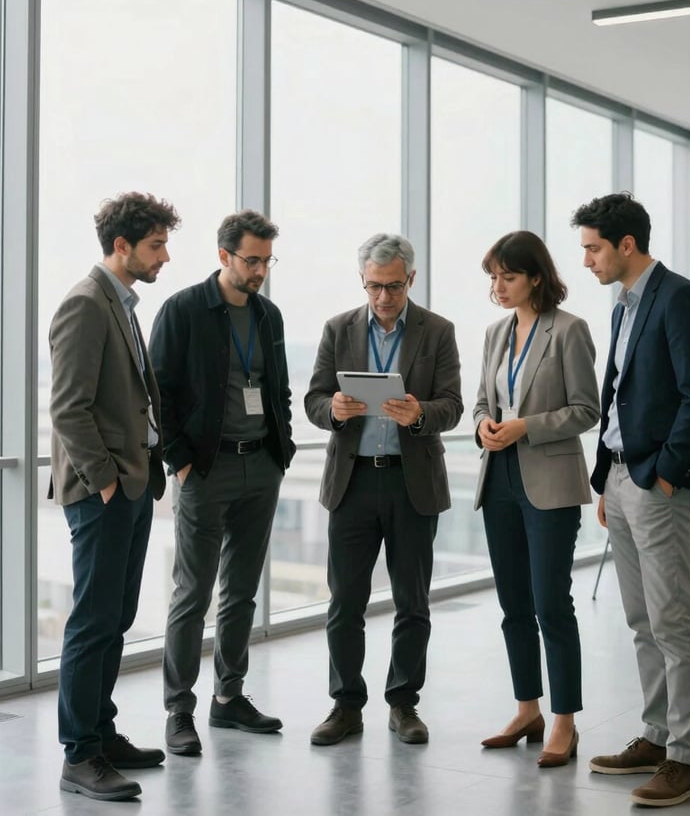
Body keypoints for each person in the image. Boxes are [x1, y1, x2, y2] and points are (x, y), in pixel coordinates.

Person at [572, 192, 690, 808]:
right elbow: (617, 396)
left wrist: (660, 475)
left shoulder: (679, 297)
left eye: (592, 248)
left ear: (626, 244)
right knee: (640, 621)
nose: (586, 261)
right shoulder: (624, 308)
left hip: (661, 484)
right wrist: (609, 475)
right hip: (622, 481)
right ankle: (658, 737)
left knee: (672, 623)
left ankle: (687, 761)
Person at [305, 233, 463, 746]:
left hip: (409, 480)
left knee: (411, 601)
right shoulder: (337, 329)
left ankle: (403, 704)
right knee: (344, 602)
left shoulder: (437, 331)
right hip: (352, 482)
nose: (383, 298)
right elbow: (312, 399)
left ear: (411, 279)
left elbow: (453, 405)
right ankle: (345, 706)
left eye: (393, 286)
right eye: (374, 286)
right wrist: (332, 409)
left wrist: (420, 415)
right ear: (363, 282)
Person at [149, 210, 296, 756]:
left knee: (241, 591)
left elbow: (275, 387)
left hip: (261, 466)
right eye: (251, 260)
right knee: (192, 592)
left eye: (266, 260)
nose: (259, 271)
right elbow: (157, 393)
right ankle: (178, 710)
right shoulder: (184, 310)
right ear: (223, 256)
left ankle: (228, 697)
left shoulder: (268, 315)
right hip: (204, 470)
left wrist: (280, 454)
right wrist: (179, 461)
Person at [50, 192, 180, 801]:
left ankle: (101, 734)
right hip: (105, 490)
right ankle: (79, 754)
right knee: (93, 622)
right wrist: (105, 479)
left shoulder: (121, 303)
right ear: (122, 246)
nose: (165, 256)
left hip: (131, 483)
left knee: (116, 618)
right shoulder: (85, 303)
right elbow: (69, 408)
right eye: (156, 245)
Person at [472, 231, 599, 768]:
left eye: (509, 276)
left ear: (537, 278)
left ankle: (565, 721)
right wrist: (484, 423)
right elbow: (483, 399)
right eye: (493, 277)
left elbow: (586, 410)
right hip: (497, 478)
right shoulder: (496, 333)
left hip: (549, 483)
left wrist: (526, 426)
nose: (498, 287)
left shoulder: (569, 331)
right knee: (514, 607)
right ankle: (528, 709)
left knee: (551, 603)